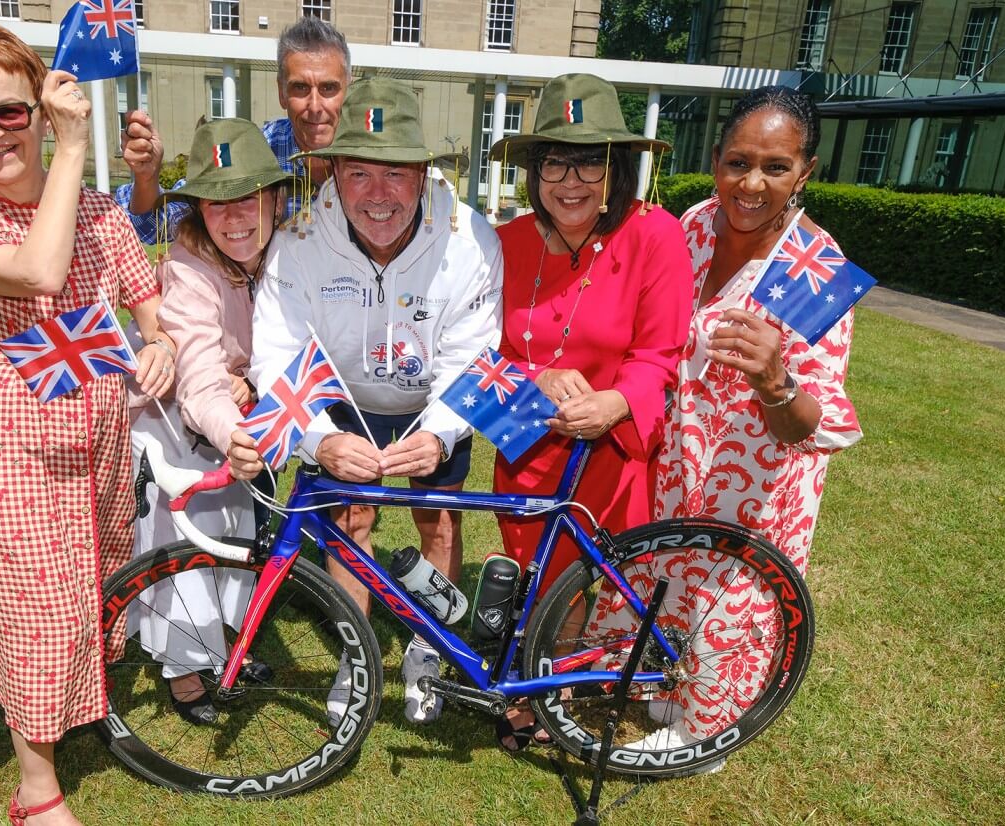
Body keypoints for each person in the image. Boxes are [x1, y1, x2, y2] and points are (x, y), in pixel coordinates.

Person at [0, 24, 174, 826]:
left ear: (39, 104)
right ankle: (38, 790)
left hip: (93, 421)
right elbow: (39, 270)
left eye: (9, 111)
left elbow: (149, 301)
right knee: (31, 591)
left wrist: (160, 342)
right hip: (5, 424)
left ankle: (62, 698)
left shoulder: (101, 210)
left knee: (80, 583)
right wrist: (69, 149)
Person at [591, 85, 863, 771]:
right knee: (670, 573)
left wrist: (776, 379)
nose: (752, 183)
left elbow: (813, 421)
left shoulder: (814, 268)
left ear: (806, 172)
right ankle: (666, 684)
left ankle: (703, 733)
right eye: (738, 161)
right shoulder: (696, 225)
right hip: (680, 454)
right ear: (715, 160)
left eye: (776, 166)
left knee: (727, 596)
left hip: (758, 478)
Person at [249, 77, 503, 726]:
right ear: (332, 171)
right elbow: (276, 356)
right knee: (349, 520)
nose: (378, 195)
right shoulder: (298, 239)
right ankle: (356, 654)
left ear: (423, 173)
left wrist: (442, 433)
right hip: (338, 393)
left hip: (430, 394)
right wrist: (317, 438)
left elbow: (474, 356)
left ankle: (426, 647)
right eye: (359, 173)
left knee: (437, 522)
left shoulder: (471, 237)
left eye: (397, 174)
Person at [485, 73, 691, 751]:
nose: (569, 180)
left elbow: (660, 352)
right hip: (528, 440)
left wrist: (614, 401)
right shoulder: (508, 243)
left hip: (608, 444)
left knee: (581, 573)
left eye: (589, 161)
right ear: (531, 168)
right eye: (553, 161)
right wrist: (532, 376)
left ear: (617, 168)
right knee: (533, 569)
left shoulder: (653, 235)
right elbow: (481, 350)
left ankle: (556, 691)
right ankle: (538, 678)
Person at [126, 118, 281, 724]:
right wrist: (236, 430)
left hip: (227, 425)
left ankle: (224, 651)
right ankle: (187, 674)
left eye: (248, 197)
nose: (235, 216)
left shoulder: (277, 255)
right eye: (217, 203)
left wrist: (257, 387)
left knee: (233, 542)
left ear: (275, 198)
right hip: (181, 430)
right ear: (198, 210)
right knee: (186, 550)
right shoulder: (189, 269)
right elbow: (197, 378)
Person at [114, 16, 350, 239]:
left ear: (348, 90)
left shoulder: (376, 153)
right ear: (282, 93)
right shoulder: (250, 149)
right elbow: (155, 226)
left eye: (329, 88)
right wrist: (147, 178)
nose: (315, 106)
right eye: (300, 88)